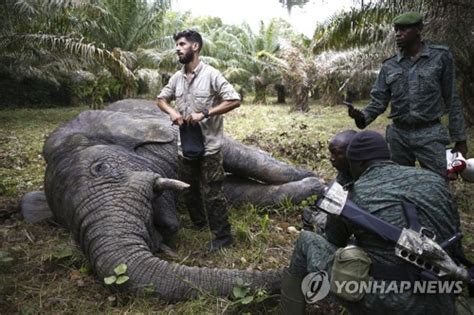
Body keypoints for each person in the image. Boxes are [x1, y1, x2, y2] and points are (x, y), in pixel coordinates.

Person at [280, 130, 463, 314]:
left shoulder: (350, 197)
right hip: (442, 292)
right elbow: (455, 235)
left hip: (390, 299)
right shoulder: (435, 181)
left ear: (356, 162)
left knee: (307, 240)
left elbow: (334, 240)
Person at [348, 12, 468, 177]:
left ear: (418, 29)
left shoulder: (440, 57)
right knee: (400, 183)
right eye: (396, 30)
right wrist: (362, 116)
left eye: (404, 29)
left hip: (430, 133)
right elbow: (378, 101)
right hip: (399, 136)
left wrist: (460, 139)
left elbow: (452, 98)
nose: (398, 34)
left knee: (437, 181)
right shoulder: (389, 66)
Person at [156, 30, 241, 252]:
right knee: (188, 189)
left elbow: (234, 99)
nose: (177, 48)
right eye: (176, 44)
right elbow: (160, 99)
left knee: (212, 192)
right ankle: (199, 223)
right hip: (185, 146)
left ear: (195, 47)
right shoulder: (176, 78)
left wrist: (205, 113)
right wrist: (173, 113)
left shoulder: (212, 74)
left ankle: (223, 236)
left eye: (182, 44)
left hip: (209, 147)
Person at [302, 130, 357, 231]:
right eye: (331, 153)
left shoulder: (363, 179)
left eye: (338, 154)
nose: (332, 158)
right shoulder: (345, 172)